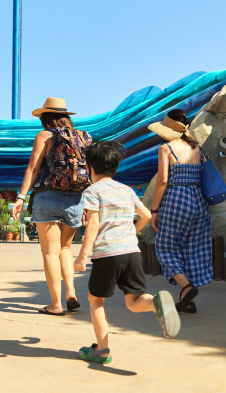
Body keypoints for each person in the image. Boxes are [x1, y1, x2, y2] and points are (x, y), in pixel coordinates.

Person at [73, 140, 180, 364]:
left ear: (90, 167)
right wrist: (130, 232)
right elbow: (146, 217)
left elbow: (93, 224)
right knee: (134, 301)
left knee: (95, 300)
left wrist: (83, 254)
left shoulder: (92, 192)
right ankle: (155, 304)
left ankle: (101, 350)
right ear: (115, 168)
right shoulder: (127, 190)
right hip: (132, 252)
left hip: (107, 254)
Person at [11, 97, 92, 315]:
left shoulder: (45, 136)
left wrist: (21, 197)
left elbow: (32, 168)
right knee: (65, 248)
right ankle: (71, 294)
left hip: (48, 197)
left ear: (45, 117)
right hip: (76, 198)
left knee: (50, 253)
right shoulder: (83, 137)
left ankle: (56, 305)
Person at [148, 109, 212, 314]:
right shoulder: (196, 148)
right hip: (199, 201)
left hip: (176, 200)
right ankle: (188, 301)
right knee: (193, 249)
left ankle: (186, 286)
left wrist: (155, 209)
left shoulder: (166, 148)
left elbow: (163, 181)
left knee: (166, 248)